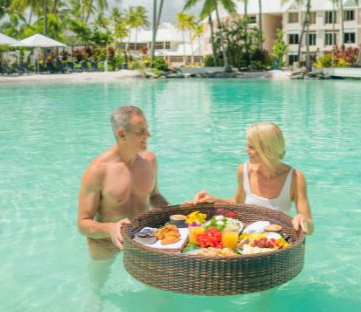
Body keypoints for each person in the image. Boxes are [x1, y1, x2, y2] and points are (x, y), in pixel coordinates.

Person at [190, 122, 314, 235]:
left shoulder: (295, 178)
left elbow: (311, 228)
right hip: (246, 243)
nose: (246, 151)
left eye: (251, 147)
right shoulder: (244, 171)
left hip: (278, 245)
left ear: (267, 148)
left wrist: (303, 219)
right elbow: (237, 203)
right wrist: (213, 200)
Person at [77, 106, 169, 257]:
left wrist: (174, 213)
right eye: (141, 132)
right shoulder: (99, 170)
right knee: (100, 279)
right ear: (122, 134)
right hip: (106, 242)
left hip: (143, 239)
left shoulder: (149, 161)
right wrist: (111, 228)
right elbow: (83, 224)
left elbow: (154, 196)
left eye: (146, 129)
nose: (148, 135)